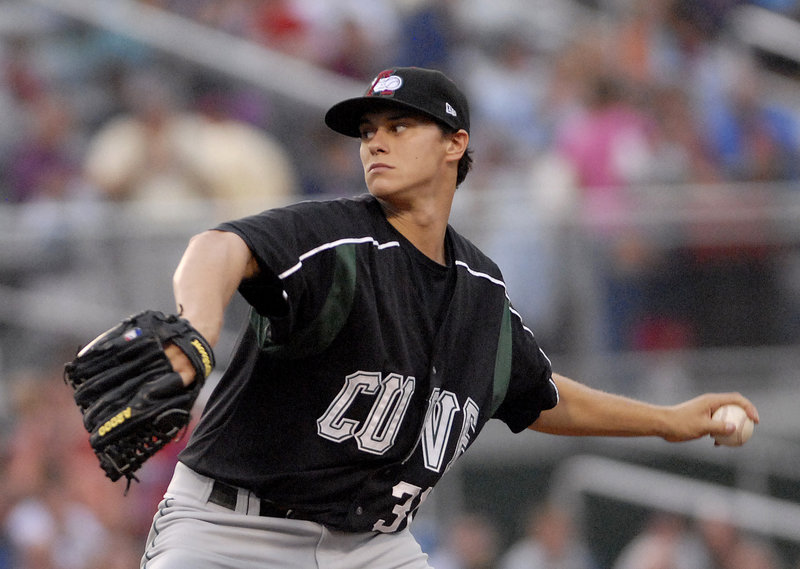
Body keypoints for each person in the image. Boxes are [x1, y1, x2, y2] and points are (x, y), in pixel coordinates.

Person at [140, 66, 759, 569]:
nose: (375, 141)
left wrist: (667, 421)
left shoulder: (479, 285)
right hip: (231, 530)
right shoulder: (335, 238)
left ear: (455, 144)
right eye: (367, 131)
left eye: (400, 125)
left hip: (371, 547)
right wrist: (194, 326)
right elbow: (219, 247)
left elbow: (538, 396)